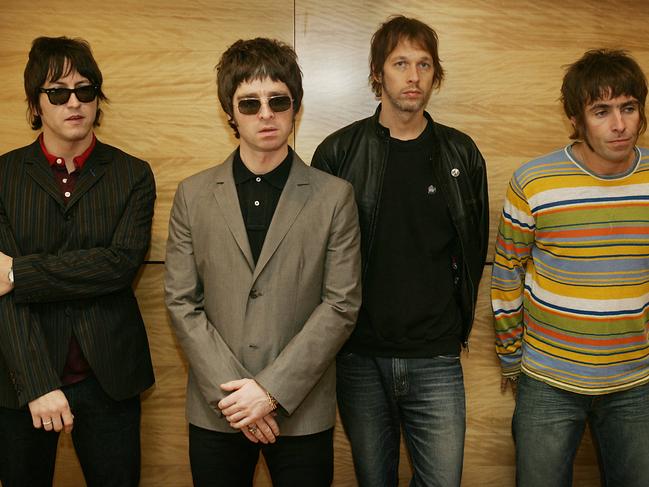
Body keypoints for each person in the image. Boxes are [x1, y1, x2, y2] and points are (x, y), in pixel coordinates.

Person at [164, 37, 361, 487]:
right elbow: (180, 302)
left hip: (301, 410)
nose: (266, 114)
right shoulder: (193, 195)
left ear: (296, 107)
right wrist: (239, 397)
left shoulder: (334, 197)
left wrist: (270, 392)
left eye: (278, 100)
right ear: (230, 113)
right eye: (249, 103)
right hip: (219, 410)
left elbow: (341, 305)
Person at [312, 15, 489, 487]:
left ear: (435, 75)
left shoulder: (462, 154)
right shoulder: (337, 153)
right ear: (377, 74)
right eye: (400, 63)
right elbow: (319, 259)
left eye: (424, 64)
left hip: (436, 358)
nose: (413, 76)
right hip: (359, 357)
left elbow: (472, 250)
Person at [0, 36, 156, 487]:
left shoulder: (132, 174)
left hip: (108, 377)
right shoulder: (5, 176)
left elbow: (119, 265)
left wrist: (19, 271)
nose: (74, 102)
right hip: (20, 377)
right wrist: (36, 384)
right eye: (58, 92)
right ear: (36, 104)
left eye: (85, 90)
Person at [492, 49, 649, 486]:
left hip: (636, 381)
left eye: (628, 108)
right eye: (602, 111)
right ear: (576, 118)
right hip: (548, 380)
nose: (619, 124)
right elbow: (506, 272)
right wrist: (511, 359)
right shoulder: (535, 181)